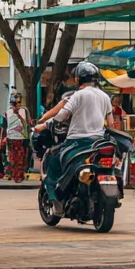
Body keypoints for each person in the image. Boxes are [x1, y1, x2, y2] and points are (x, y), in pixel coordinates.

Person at [34, 62, 112, 211]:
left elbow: (62, 115)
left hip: (76, 143)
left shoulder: (77, 95)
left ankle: (56, 201)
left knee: (53, 163)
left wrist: (43, 125)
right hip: (99, 143)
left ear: (78, 79)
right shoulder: (105, 96)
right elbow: (112, 123)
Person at [4, 92, 33, 183]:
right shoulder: (7, 112)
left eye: (19, 102)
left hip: (21, 137)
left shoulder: (24, 110)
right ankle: (14, 175)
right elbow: (4, 125)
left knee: (21, 157)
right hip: (11, 137)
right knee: (12, 157)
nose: (18, 104)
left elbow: (27, 123)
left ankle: (19, 175)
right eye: (16, 103)